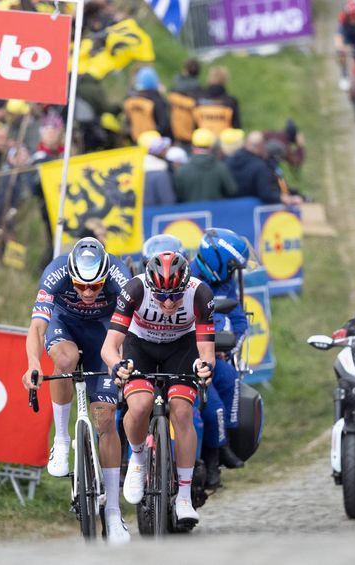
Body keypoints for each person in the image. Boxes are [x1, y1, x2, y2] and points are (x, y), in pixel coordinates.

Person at [21, 237, 132, 544]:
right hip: (64, 326)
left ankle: (112, 511)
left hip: (104, 336)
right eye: (80, 286)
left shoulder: (121, 277)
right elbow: (37, 328)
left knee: (106, 420)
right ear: (70, 274)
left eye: (95, 287)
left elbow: (133, 329)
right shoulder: (55, 273)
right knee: (65, 360)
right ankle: (61, 438)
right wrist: (32, 363)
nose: (86, 292)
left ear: (105, 276)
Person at [101, 251, 216, 525]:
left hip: (181, 348)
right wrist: (117, 365)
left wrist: (205, 367)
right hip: (140, 346)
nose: (167, 302)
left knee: (182, 411)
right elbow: (109, 346)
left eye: (175, 296)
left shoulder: (200, 294)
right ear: (150, 287)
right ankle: (138, 459)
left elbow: (206, 351)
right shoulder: (135, 289)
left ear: (185, 287)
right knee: (139, 405)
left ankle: (185, 497)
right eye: (161, 296)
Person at [189, 228, 250, 488]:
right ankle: (212, 460)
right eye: (232, 266)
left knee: (230, 378)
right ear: (218, 262)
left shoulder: (225, 285)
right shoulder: (187, 279)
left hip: (216, 356)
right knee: (212, 407)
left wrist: (232, 341)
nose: (235, 272)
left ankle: (226, 443)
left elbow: (237, 319)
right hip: (188, 358)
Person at [174, 128, 238, 202]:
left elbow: (178, 195)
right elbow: (232, 191)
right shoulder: (221, 168)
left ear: (193, 145)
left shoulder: (181, 171)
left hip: (192, 212)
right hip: (216, 211)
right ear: (211, 146)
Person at [124, 67, 171, 142]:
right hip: (155, 143)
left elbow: (127, 123)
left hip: (137, 141)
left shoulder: (130, 101)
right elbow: (164, 125)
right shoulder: (156, 99)